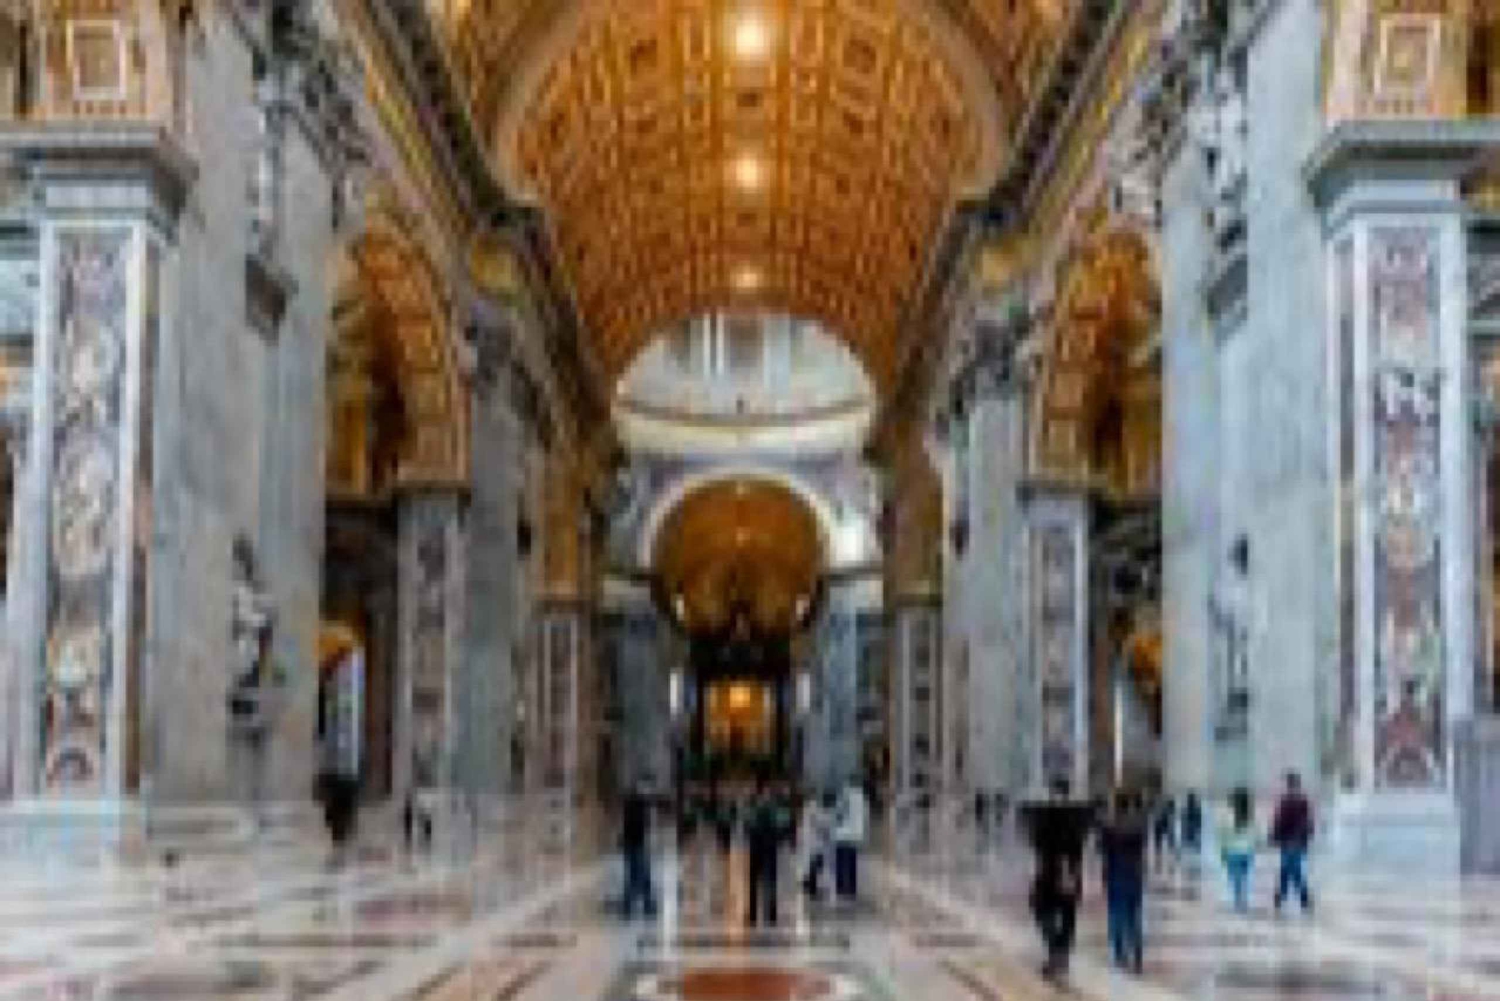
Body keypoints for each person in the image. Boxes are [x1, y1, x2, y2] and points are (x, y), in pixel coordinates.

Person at [1022, 779, 1093, 981]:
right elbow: (1082, 841)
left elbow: (1036, 842)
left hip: (1050, 873)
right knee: (1068, 915)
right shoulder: (1078, 817)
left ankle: (1056, 950)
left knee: (1040, 908)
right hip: (1072, 872)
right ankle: (1062, 953)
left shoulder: (1045, 816)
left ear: (1053, 792)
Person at [1098, 791, 1149, 973]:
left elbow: (1103, 852)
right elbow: (1142, 850)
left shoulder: (1109, 826)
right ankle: (1137, 955)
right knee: (1134, 915)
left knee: (1115, 913)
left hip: (1115, 871)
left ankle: (1120, 954)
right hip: (1134, 873)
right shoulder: (1139, 825)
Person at [1269, 771, 1314, 914]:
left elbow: (1279, 821)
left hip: (1289, 840)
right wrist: (1306, 838)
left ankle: (1288, 896)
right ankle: (1295, 897)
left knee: (1289, 869)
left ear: (1289, 784)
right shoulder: (1302, 801)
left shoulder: (1286, 801)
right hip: (1297, 841)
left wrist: (1274, 836)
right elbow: (1308, 823)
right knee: (1291, 869)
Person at [745, 781, 788, 927]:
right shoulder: (774, 807)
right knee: (762, 881)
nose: (765, 795)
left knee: (762, 881)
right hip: (765, 847)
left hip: (761, 847)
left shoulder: (755, 807)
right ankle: (765, 915)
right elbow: (783, 824)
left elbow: (747, 824)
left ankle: (758, 915)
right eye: (765, 792)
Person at [620, 785, 658, 919]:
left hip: (633, 844)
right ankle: (629, 906)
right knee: (638, 876)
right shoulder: (637, 807)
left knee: (640, 875)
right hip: (635, 845)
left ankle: (646, 905)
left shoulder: (634, 806)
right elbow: (638, 827)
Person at [1219, 787, 1257, 913]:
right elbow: (1256, 835)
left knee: (1235, 878)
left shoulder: (1227, 815)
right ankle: (1243, 900)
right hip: (1247, 852)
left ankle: (1238, 901)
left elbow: (1222, 834)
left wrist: (1223, 851)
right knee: (1244, 877)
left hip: (1233, 852)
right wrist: (1253, 848)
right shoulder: (1250, 815)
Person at [832, 778, 869, 904]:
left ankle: (840, 887)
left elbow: (838, 813)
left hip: (842, 834)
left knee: (840, 861)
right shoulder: (862, 798)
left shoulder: (844, 795)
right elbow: (865, 817)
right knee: (852, 862)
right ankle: (852, 889)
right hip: (856, 834)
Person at [800, 790, 834, 900]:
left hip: (812, 842)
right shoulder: (813, 808)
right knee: (814, 865)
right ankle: (811, 888)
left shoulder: (810, 807)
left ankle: (809, 885)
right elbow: (822, 823)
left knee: (813, 864)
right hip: (814, 842)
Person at [1153, 795, 1177, 868]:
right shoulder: (1168, 813)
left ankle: (1167, 859)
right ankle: (1167, 859)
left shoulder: (1167, 813)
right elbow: (1164, 823)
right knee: (1167, 846)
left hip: (1167, 832)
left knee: (1167, 846)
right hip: (1167, 832)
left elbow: (1163, 823)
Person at [1181, 791, 1204, 865]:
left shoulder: (1187, 810)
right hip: (1192, 833)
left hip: (1191, 833)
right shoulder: (1194, 809)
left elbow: (1184, 822)